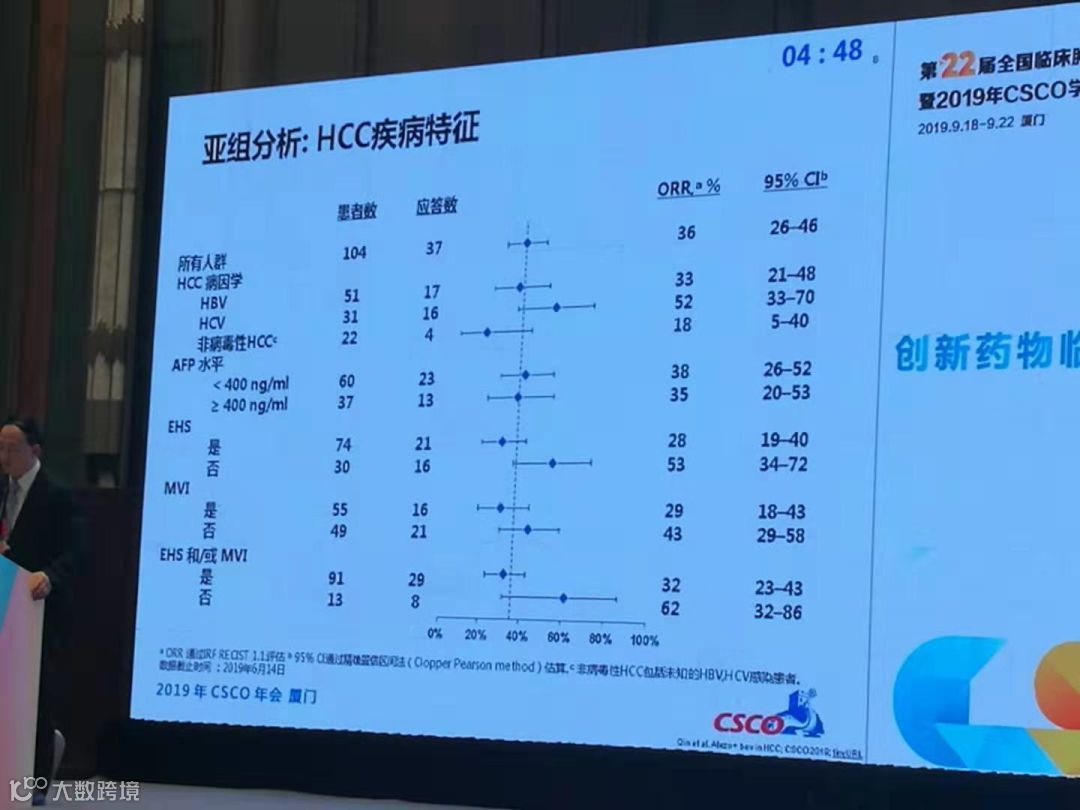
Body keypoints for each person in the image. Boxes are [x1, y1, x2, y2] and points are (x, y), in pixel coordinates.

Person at [0, 416, 84, 806]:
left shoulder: (57, 495)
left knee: (37, 698)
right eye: (1, 448)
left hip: (37, 612)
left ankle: (35, 783)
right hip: (3, 604)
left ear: (34, 450)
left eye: (12, 448)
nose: (4, 456)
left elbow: (76, 552)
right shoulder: (2, 490)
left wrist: (50, 576)